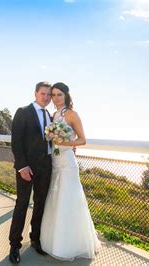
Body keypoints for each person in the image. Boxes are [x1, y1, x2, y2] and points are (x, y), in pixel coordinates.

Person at [40, 82, 101, 260]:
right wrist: (52, 137)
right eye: (54, 95)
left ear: (66, 95)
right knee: (55, 199)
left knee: (69, 200)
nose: (56, 98)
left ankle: (70, 245)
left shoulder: (72, 114)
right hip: (55, 161)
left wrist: (63, 143)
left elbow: (83, 140)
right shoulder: (53, 115)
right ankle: (53, 241)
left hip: (67, 162)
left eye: (60, 94)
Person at [8, 81, 53, 264]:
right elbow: (16, 141)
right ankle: (14, 246)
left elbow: (48, 141)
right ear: (35, 93)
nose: (46, 97)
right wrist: (22, 166)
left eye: (49, 95)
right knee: (22, 204)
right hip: (27, 168)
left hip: (46, 167)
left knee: (41, 203)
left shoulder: (50, 114)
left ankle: (35, 239)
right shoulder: (23, 111)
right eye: (43, 94)